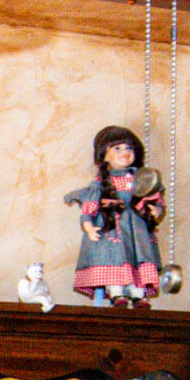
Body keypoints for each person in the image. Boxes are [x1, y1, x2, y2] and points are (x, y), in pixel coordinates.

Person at [62, 124, 164, 305]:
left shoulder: (141, 178)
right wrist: (89, 227)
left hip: (137, 229)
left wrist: (157, 209)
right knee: (114, 257)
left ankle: (138, 293)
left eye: (129, 148)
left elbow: (155, 200)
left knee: (139, 256)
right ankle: (117, 292)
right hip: (112, 227)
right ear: (104, 155)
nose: (124, 152)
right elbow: (89, 207)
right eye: (117, 148)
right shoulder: (101, 183)